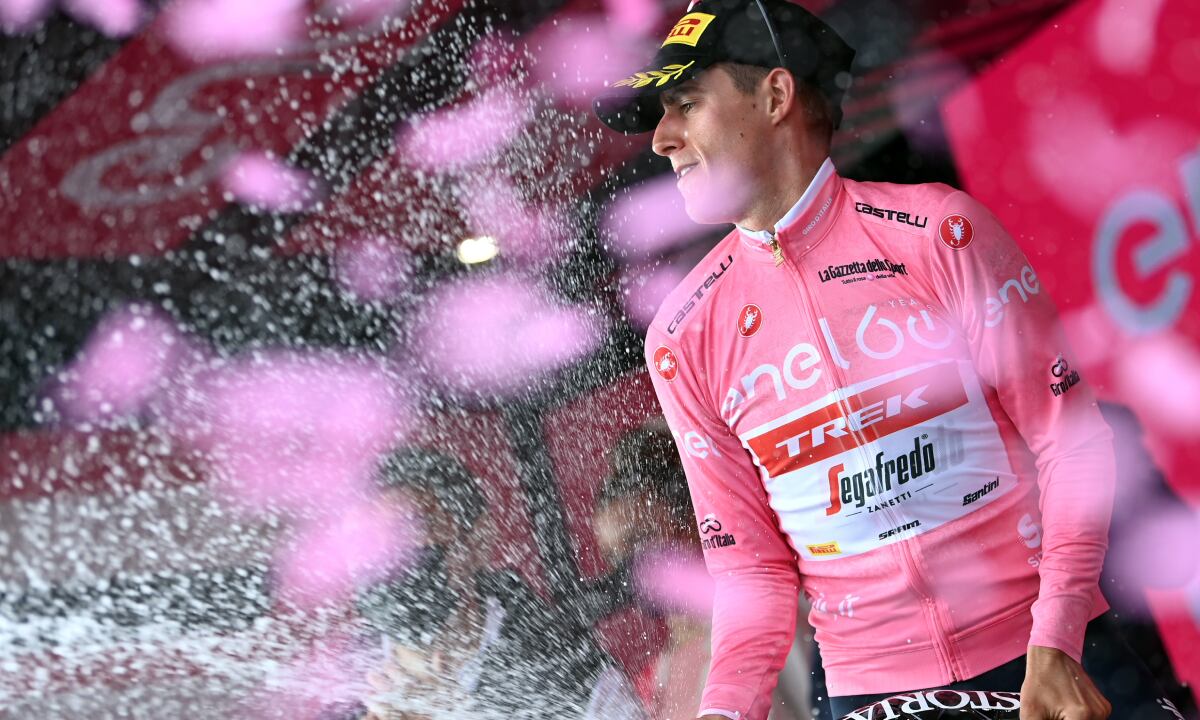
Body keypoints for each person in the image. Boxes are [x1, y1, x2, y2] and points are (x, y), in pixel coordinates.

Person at [591, 1, 1180, 718]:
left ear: (775, 97)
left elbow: (1073, 442)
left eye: (684, 104)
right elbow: (751, 569)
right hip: (871, 689)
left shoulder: (938, 233)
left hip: (1048, 658)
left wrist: (1054, 639)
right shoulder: (682, 336)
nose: (661, 139)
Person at [356, 447, 621, 719]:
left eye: (410, 528)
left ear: (479, 539)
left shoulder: (569, 670)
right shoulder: (339, 685)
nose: (388, 556)